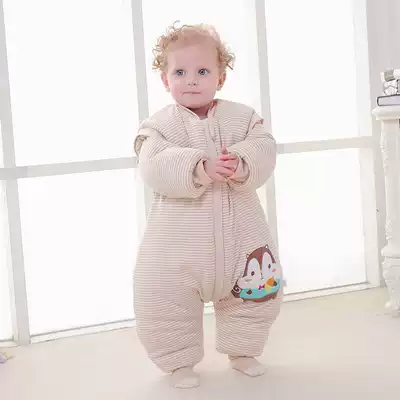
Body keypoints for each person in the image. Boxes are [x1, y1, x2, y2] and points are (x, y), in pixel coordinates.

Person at [133, 22, 282, 389]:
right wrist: (198, 168)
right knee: (165, 302)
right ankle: (178, 362)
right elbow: (152, 165)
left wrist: (242, 161)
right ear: (165, 80)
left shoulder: (242, 119)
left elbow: (265, 147)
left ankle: (243, 352)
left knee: (254, 297)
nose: (191, 80)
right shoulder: (159, 126)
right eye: (179, 72)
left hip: (242, 240)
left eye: (202, 71)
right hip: (176, 248)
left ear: (220, 77)